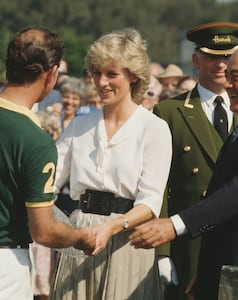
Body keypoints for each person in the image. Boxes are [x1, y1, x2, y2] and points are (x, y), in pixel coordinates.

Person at [130, 43, 238, 300]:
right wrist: (207, 270)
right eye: (228, 76)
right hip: (227, 269)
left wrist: (175, 225)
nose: (227, 85)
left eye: (236, 78)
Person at [48, 27, 172, 300]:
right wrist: (62, 229)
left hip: (128, 243)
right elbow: (48, 183)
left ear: (134, 77)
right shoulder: (80, 125)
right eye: (96, 72)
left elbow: (150, 202)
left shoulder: (154, 128)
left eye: (112, 74)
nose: (101, 82)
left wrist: (111, 228)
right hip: (79, 239)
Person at [151, 22, 238, 300]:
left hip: (237, 241)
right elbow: (159, 185)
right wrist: (162, 252)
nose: (220, 64)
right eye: (212, 56)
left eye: (227, 56)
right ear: (196, 59)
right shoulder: (170, 112)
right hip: (190, 243)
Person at [0, 27, 96, 300]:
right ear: (51, 73)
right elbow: (43, 230)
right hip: (6, 262)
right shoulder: (35, 140)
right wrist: (80, 238)